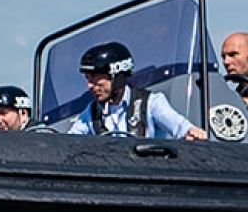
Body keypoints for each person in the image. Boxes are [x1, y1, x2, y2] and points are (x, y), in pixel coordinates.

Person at [67, 41, 206, 140]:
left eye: (96, 79)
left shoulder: (152, 103)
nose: (90, 86)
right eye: (87, 79)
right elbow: (69, 141)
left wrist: (191, 133)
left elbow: (180, 127)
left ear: (117, 76)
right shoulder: (91, 112)